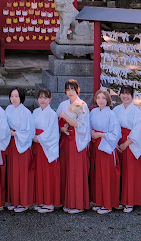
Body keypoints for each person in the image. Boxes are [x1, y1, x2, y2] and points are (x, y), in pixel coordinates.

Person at [58, 79, 90, 214]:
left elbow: (82, 126)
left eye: (73, 89)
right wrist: (62, 129)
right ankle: (67, 201)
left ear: (78, 90)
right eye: (68, 89)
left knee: (76, 172)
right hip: (66, 140)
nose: (70, 92)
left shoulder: (82, 105)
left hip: (77, 141)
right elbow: (58, 121)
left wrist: (65, 116)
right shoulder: (63, 104)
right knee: (66, 171)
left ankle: (78, 204)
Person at [114, 85, 141, 213]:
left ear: (132, 96)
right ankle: (119, 199)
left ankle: (130, 201)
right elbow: (112, 126)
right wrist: (115, 143)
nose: (125, 96)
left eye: (128, 93)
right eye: (123, 93)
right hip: (117, 141)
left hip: (131, 144)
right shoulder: (116, 110)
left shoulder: (137, 111)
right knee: (119, 171)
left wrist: (125, 144)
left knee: (130, 172)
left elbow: (138, 130)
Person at [89, 89, 121, 214]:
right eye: (98, 98)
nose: (100, 100)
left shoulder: (111, 114)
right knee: (97, 174)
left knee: (106, 175)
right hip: (96, 145)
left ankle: (107, 204)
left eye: (103, 98)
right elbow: (89, 126)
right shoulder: (93, 112)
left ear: (108, 100)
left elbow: (115, 134)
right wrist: (91, 132)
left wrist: (99, 135)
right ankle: (99, 201)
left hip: (106, 146)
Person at [4, 86, 34, 212]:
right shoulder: (8, 109)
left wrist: (15, 133)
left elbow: (29, 132)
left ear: (21, 97)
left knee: (22, 174)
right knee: (12, 173)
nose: (14, 98)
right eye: (12, 96)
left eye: (16, 96)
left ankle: (23, 202)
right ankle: (14, 200)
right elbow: (3, 124)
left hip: (21, 145)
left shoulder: (26, 112)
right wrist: (8, 131)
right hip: (12, 144)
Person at [32, 88, 60, 213]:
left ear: (50, 99)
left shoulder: (52, 114)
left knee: (48, 175)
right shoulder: (35, 112)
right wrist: (32, 136)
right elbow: (31, 127)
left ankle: (49, 203)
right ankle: (41, 201)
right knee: (39, 174)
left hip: (46, 147)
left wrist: (38, 138)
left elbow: (52, 132)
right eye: (40, 97)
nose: (42, 100)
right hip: (37, 146)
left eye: (45, 97)